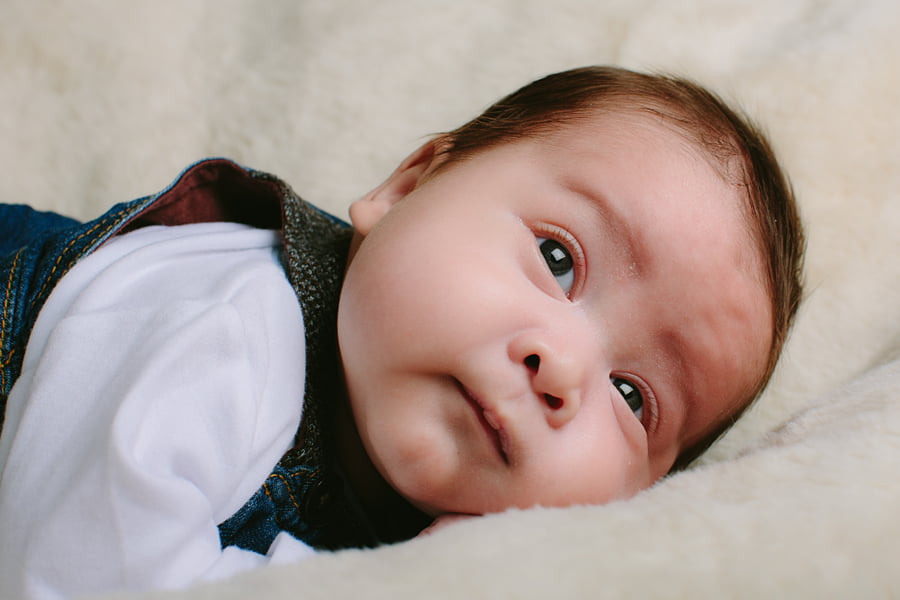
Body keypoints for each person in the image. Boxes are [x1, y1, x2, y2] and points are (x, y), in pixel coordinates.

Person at [0, 66, 804, 599]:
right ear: (406, 187)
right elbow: (70, 575)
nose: (561, 368)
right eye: (556, 258)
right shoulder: (229, 324)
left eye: (633, 397)